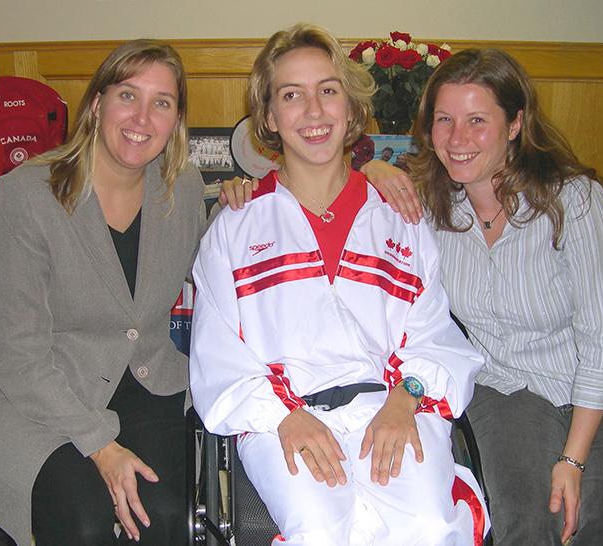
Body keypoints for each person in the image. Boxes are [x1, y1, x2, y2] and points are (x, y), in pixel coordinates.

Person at [190, 24, 489, 546]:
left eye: (328, 91)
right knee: (321, 530)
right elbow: (219, 355)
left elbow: (433, 332)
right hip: (285, 417)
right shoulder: (235, 229)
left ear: (351, 110)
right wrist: (284, 417)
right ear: (267, 116)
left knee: (427, 526)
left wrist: (406, 398)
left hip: (392, 405)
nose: (313, 110)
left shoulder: (400, 216)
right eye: (291, 95)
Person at [359, 48, 603, 545]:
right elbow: (321, 184)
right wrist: (369, 169)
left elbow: (602, 344)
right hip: (502, 385)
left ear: (515, 124)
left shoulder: (572, 201)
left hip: (596, 381)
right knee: (529, 521)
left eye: (477, 120)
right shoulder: (428, 204)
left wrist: (572, 459)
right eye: (444, 120)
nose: (457, 139)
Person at [0, 40, 206, 546]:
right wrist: (102, 447)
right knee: (85, 523)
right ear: (97, 104)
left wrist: (369, 171)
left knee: (165, 520)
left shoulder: (182, 189)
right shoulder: (26, 194)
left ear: (176, 120)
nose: (142, 116)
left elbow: (228, 250)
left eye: (162, 102)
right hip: (39, 391)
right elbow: (19, 355)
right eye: (127, 95)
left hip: (145, 381)